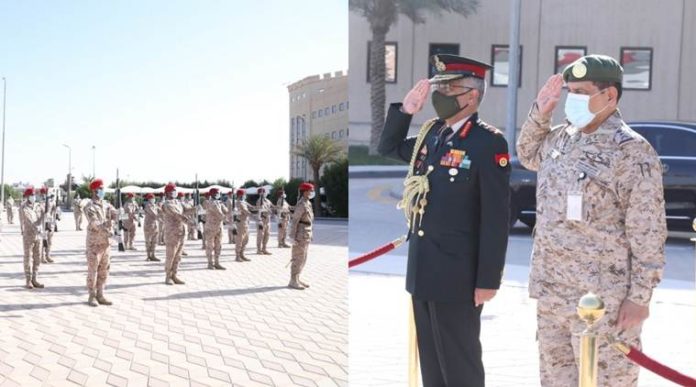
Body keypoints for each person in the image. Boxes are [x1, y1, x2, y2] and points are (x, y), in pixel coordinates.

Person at [517, 54, 667, 387]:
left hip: (603, 302)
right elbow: (527, 154)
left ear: (609, 96)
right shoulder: (561, 138)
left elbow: (648, 231)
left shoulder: (632, 152)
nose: (572, 99)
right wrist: (541, 112)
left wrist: (639, 298)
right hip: (553, 293)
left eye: (581, 91)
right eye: (570, 91)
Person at [378, 54, 511, 386]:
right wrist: (406, 111)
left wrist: (488, 280)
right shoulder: (432, 134)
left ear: (471, 95)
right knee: (433, 367)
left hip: (459, 276)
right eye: (439, 87)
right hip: (424, 269)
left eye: (449, 88)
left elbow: (495, 218)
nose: (440, 95)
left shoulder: (487, 142)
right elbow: (388, 147)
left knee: (460, 365)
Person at [83, 179, 118, 306]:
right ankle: (91, 295)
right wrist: (108, 229)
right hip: (94, 244)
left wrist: (116, 217)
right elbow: (95, 223)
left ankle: (100, 294)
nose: (103, 191)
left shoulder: (106, 204)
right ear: (94, 190)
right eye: (101, 189)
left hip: (106, 244)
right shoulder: (89, 207)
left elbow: (116, 214)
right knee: (93, 270)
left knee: (104, 269)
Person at [161, 183, 192, 285]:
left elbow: (187, 210)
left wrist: (195, 208)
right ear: (168, 193)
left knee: (178, 256)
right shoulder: (167, 204)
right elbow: (176, 214)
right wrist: (186, 219)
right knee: (171, 256)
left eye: (175, 190)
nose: (175, 192)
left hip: (181, 232)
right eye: (172, 191)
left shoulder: (178, 202)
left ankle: (174, 275)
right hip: (172, 233)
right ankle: (167, 277)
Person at [287, 183, 315, 290]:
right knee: (298, 258)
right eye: (310, 190)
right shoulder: (301, 204)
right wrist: (291, 237)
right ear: (305, 192)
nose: (312, 192)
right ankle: (293, 280)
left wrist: (311, 234)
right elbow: (295, 221)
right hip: (300, 235)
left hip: (306, 234)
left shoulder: (308, 203)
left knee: (303, 258)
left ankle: (297, 278)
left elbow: (310, 221)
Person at [19, 186, 45, 289]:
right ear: (27, 196)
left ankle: (35, 278)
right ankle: (28, 280)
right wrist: (38, 228)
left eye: (34, 195)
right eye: (32, 195)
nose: (33, 197)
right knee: (28, 258)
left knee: (37, 258)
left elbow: (42, 219)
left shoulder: (38, 206)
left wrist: (45, 214)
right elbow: (29, 221)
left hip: (38, 236)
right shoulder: (23, 207)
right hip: (29, 236)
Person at [203, 187, 228, 270]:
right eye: (217, 193)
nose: (218, 194)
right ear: (213, 194)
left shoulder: (218, 202)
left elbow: (226, 210)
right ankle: (210, 263)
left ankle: (217, 263)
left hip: (219, 227)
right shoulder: (211, 203)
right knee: (210, 246)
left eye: (219, 193)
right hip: (211, 228)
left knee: (218, 245)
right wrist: (229, 220)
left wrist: (224, 205)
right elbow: (220, 214)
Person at [37, 187, 56, 263]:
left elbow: (54, 213)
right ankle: (42, 257)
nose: (44, 195)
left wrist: (54, 223)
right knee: (43, 241)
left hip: (50, 224)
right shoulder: (39, 204)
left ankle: (48, 255)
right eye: (43, 193)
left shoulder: (52, 202)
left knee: (49, 241)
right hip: (43, 224)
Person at [234, 189, 252, 262]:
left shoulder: (243, 202)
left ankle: (242, 254)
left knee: (245, 240)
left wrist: (255, 208)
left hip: (245, 223)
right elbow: (246, 212)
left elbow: (251, 207)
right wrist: (253, 213)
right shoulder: (239, 203)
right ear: (240, 195)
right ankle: (237, 256)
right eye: (244, 194)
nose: (245, 196)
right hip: (240, 223)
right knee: (240, 240)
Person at [143, 193, 160, 261]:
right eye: (152, 198)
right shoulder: (148, 206)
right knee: (148, 241)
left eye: (153, 198)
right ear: (149, 199)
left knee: (154, 241)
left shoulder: (155, 205)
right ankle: (148, 256)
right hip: (148, 226)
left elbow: (161, 211)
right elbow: (154, 214)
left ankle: (153, 255)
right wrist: (160, 217)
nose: (153, 199)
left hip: (155, 225)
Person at [255, 187, 272, 255]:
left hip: (267, 220)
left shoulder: (267, 200)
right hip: (261, 220)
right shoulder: (259, 201)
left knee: (267, 235)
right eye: (263, 192)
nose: (265, 193)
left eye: (265, 192)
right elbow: (259, 210)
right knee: (260, 236)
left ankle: (264, 248)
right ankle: (259, 249)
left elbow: (271, 206)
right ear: (260, 194)